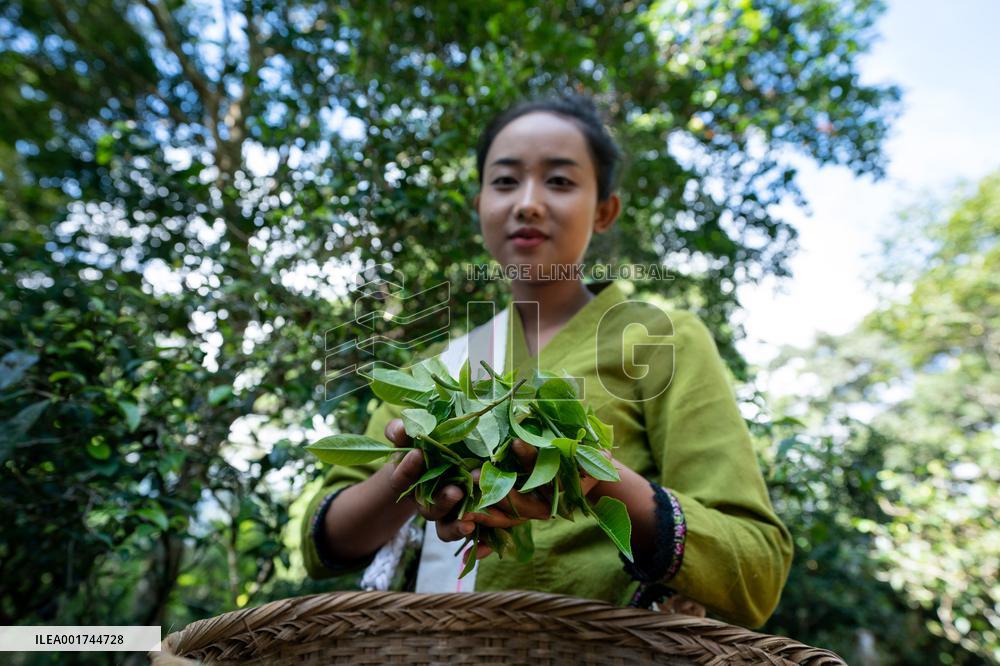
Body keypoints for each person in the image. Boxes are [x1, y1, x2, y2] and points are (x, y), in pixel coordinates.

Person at [301, 93, 793, 629]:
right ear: (480, 203)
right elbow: (321, 543)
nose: (528, 203)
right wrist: (411, 475)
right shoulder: (436, 370)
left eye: (559, 181)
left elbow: (755, 566)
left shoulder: (661, 339)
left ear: (604, 210)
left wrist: (594, 476)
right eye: (506, 181)